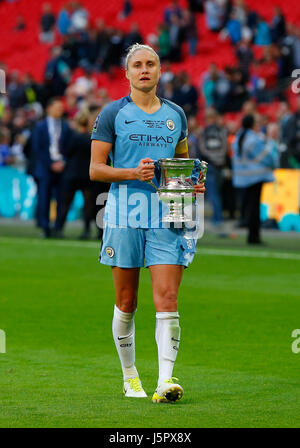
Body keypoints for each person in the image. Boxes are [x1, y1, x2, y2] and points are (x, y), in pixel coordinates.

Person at [90, 44, 205, 403]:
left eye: (150, 64)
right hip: (124, 213)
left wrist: (192, 182)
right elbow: (95, 169)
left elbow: (182, 165)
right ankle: (130, 377)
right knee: (126, 300)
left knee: (168, 297)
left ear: (160, 70)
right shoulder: (112, 114)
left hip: (168, 214)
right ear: (126, 73)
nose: (144, 70)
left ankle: (165, 382)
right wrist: (130, 172)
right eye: (137, 65)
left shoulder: (176, 115)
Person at [232, 114, 279, 244]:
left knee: (248, 208)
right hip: (255, 178)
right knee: (254, 209)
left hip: (243, 178)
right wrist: (271, 142)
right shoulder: (252, 139)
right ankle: (254, 237)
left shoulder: (238, 137)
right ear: (253, 124)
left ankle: (252, 235)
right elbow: (266, 156)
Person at [32, 97, 72, 238]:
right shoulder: (40, 126)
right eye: (57, 107)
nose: (59, 110)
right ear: (49, 108)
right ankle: (45, 227)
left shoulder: (66, 126)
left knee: (62, 199)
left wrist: (63, 162)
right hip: (45, 168)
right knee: (44, 198)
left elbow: (69, 148)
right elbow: (38, 149)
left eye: (61, 108)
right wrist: (50, 163)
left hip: (62, 167)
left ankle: (58, 227)